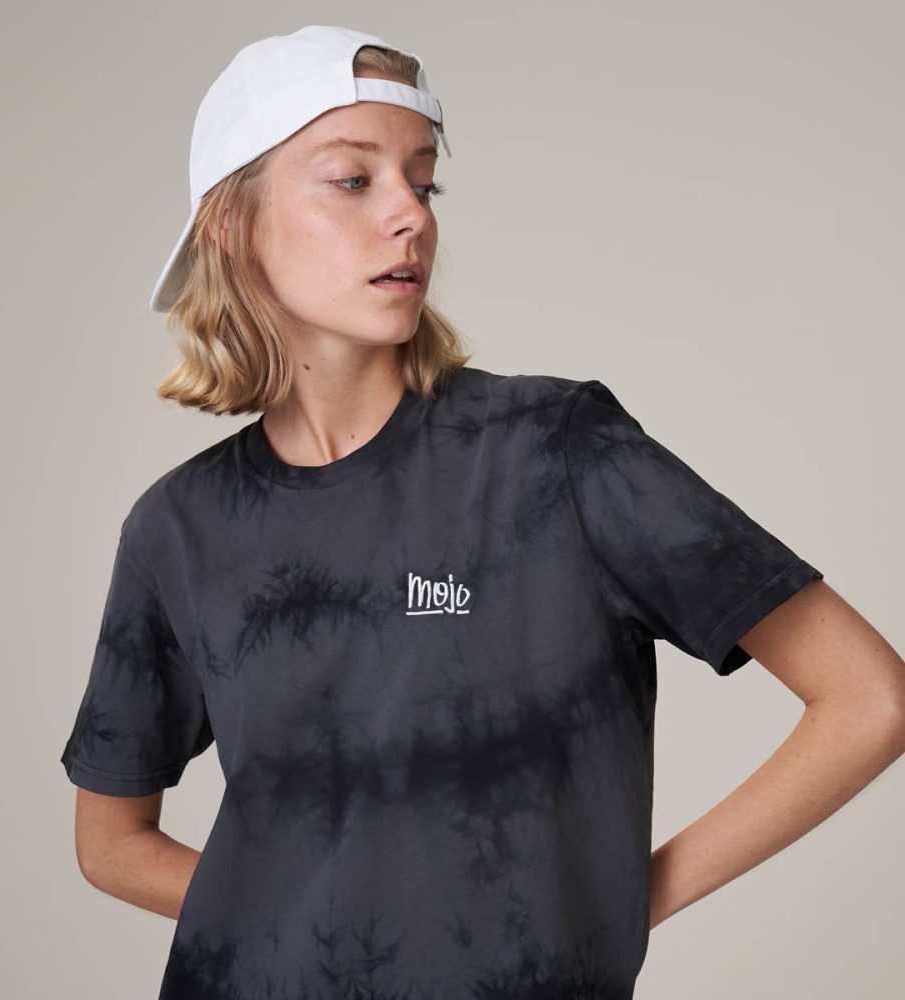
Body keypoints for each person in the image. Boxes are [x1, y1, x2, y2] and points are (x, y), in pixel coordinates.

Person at [59, 24, 905, 1000]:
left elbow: (869, 701)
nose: (408, 216)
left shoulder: (556, 451)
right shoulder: (178, 528)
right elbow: (110, 842)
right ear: (232, 224)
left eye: (423, 183)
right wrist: (306, 915)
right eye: (353, 180)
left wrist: (616, 904)